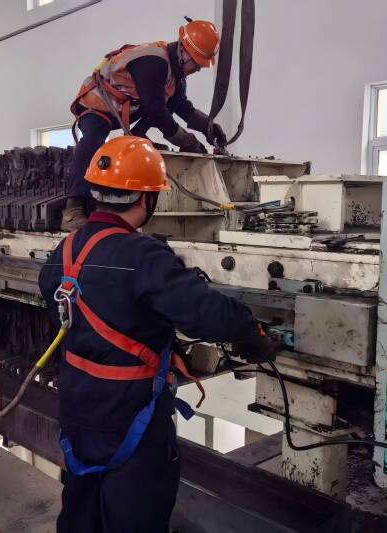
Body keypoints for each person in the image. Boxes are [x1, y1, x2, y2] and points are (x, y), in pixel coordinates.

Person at [39, 135, 277, 532]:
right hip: (132, 417)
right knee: (135, 517)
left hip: (78, 409)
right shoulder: (143, 255)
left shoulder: (63, 251)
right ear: (148, 198)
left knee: (82, 511)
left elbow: (67, 313)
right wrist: (252, 331)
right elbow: (204, 314)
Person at [61, 19, 226, 231]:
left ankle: (137, 142)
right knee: (94, 139)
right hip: (97, 104)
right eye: (196, 63)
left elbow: (182, 107)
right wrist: (188, 142)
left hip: (127, 108)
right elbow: (155, 110)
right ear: (183, 52)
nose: (198, 69)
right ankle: (73, 209)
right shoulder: (153, 62)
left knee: (167, 106)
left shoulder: (176, 77)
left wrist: (209, 127)